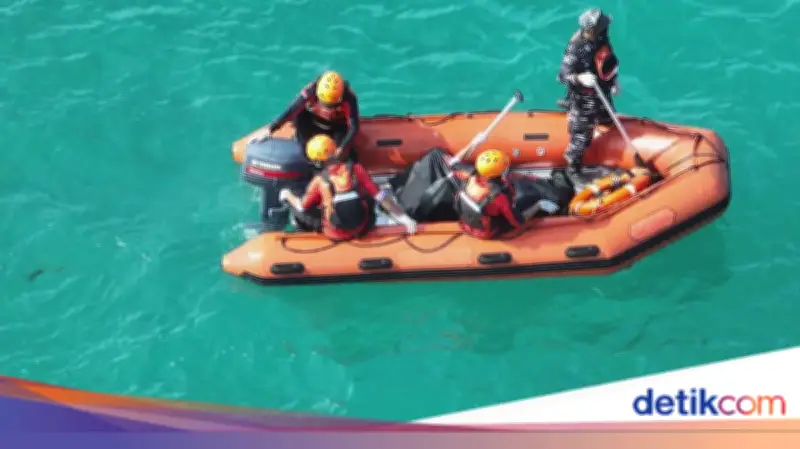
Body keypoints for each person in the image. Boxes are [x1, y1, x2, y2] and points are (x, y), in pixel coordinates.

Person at [279, 134, 417, 241]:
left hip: (335, 233)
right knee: (369, 194)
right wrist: (405, 219)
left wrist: (287, 194)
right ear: (335, 151)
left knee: (301, 208)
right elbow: (381, 197)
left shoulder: (319, 181)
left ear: (316, 161)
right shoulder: (356, 169)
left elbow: (301, 206)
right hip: (362, 228)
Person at [557, 8, 619, 186]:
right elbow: (562, 76)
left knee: (608, 118)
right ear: (592, 29)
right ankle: (572, 168)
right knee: (582, 137)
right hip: (584, 98)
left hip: (602, 91)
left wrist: (615, 81)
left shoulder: (602, 38)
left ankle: (602, 120)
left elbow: (608, 59)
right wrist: (580, 78)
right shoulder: (575, 48)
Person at [250, 71, 361, 162]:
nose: (327, 108)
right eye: (325, 104)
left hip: (336, 125)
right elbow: (292, 110)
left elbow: (354, 126)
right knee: (300, 118)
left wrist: (342, 147)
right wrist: (271, 129)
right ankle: (301, 145)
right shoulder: (309, 92)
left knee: (344, 156)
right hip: (312, 120)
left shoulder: (349, 98)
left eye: (331, 105)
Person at [451, 149, 558, 240]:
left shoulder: (470, 178)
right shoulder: (498, 197)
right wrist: (539, 205)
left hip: (469, 223)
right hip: (489, 231)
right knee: (530, 200)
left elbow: (455, 167)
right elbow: (517, 221)